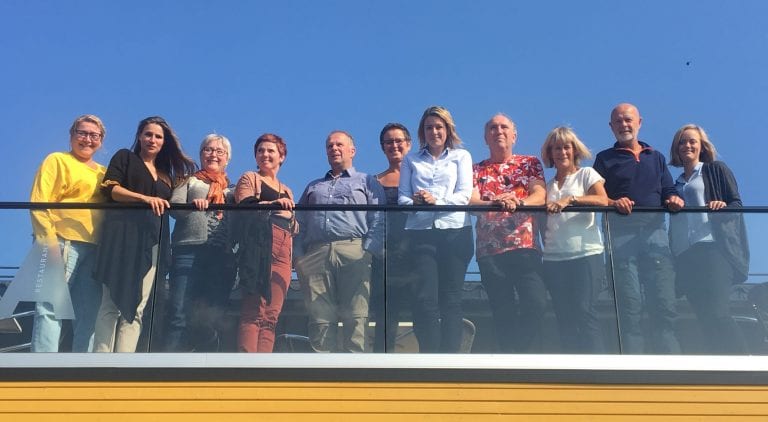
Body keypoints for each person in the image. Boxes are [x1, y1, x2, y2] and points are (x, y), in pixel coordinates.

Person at [93, 116, 196, 353]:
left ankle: (123, 364)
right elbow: (112, 189)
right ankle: (100, 362)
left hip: (153, 242)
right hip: (122, 237)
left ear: (164, 142)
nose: (152, 140)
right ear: (139, 136)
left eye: (158, 136)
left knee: (138, 307)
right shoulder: (125, 157)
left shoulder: (166, 174)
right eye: (148, 134)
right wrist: (144, 199)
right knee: (111, 303)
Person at [593, 103, 684, 354]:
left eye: (628, 120)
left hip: (656, 235)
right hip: (620, 237)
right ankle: (633, 367)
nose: (624, 125)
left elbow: (668, 189)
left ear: (639, 122)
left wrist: (674, 199)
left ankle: (671, 369)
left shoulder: (656, 157)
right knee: (628, 304)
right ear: (611, 127)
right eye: (618, 121)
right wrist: (614, 202)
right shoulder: (604, 159)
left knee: (664, 301)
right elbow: (595, 195)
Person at [294, 130, 384, 352]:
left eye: (339, 145)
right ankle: (323, 374)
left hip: (354, 249)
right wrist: (298, 257)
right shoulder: (313, 186)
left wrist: (368, 250)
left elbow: (380, 217)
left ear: (352, 151)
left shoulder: (367, 181)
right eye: (329, 146)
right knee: (320, 318)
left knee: (356, 313)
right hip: (316, 253)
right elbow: (300, 223)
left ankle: (356, 374)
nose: (334, 149)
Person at [668, 124, 749, 354]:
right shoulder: (675, 184)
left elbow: (736, 203)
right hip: (685, 254)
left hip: (712, 249)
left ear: (702, 146)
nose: (687, 145)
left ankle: (743, 363)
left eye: (693, 141)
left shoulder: (714, 169)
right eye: (682, 142)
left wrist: (722, 205)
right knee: (703, 315)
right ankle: (720, 362)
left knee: (719, 312)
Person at [469, 113, 547, 353]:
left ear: (514, 135)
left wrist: (518, 202)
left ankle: (522, 354)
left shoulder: (529, 163)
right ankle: (509, 358)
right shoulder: (476, 169)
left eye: (504, 127)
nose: (498, 131)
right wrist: (496, 202)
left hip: (525, 246)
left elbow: (539, 196)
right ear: (485, 137)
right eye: (493, 128)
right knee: (502, 309)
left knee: (536, 302)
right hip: (490, 251)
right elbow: (471, 202)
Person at [29, 114, 107, 352]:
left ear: (101, 141)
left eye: (94, 135)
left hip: (94, 247)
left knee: (89, 311)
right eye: (81, 133)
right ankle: (43, 365)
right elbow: (39, 201)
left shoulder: (104, 173)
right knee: (51, 306)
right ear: (71, 136)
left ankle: (83, 366)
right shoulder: (57, 160)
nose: (87, 139)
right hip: (62, 241)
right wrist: (48, 241)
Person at [399, 106, 474, 353]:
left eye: (439, 127)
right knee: (424, 298)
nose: (434, 132)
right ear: (423, 132)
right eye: (429, 127)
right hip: (421, 232)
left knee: (451, 297)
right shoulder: (411, 160)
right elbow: (403, 199)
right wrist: (418, 202)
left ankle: (450, 358)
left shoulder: (461, 156)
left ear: (448, 129)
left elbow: (464, 195)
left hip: (454, 232)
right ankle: (429, 354)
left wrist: (436, 201)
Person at [540, 126, 610, 353]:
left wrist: (571, 199)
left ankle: (596, 369)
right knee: (563, 314)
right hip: (554, 258)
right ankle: (570, 368)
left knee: (584, 310)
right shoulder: (547, 186)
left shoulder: (586, 174)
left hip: (586, 254)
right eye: (556, 148)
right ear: (550, 153)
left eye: (566, 147)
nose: (562, 152)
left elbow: (603, 200)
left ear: (574, 150)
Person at [164, 134, 236, 352]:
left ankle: (207, 369)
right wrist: (191, 206)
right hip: (188, 250)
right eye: (208, 149)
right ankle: (169, 370)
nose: (213, 154)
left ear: (227, 159)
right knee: (179, 312)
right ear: (201, 154)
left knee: (212, 316)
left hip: (221, 254)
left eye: (219, 151)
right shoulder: (188, 180)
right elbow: (174, 208)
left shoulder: (233, 189)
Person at [234, 133, 297, 353]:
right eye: (261, 150)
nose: (265, 154)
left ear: (282, 156)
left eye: (271, 150)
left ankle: (263, 364)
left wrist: (290, 218)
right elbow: (244, 204)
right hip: (260, 243)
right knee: (254, 309)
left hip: (284, 247)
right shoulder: (249, 177)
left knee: (272, 314)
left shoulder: (287, 189)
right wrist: (273, 204)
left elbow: (295, 225)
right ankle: (247, 365)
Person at [371, 122, 413, 352]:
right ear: (382, 147)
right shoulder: (374, 181)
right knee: (385, 310)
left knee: (422, 306)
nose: (394, 145)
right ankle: (382, 361)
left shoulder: (422, 178)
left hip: (417, 250)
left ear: (409, 144)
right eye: (389, 142)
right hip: (384, 254)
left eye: (399, 141)